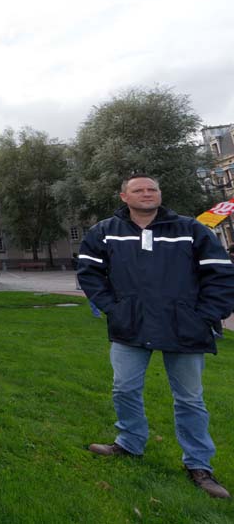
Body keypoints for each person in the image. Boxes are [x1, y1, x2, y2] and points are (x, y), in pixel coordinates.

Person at [79, 174, 234, 499]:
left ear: (160, 194)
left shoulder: (190, 229)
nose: (146, 194)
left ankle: (198, 465)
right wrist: (113, 308)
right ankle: (129, 443)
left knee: (190, 399)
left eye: (152, 189)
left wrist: (205, 315)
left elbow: (220, 273)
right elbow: (89, 271)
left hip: (184, 328)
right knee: (124, 389)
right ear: (124, 196)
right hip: (131, 326)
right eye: (138, 190)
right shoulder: (106, 231)